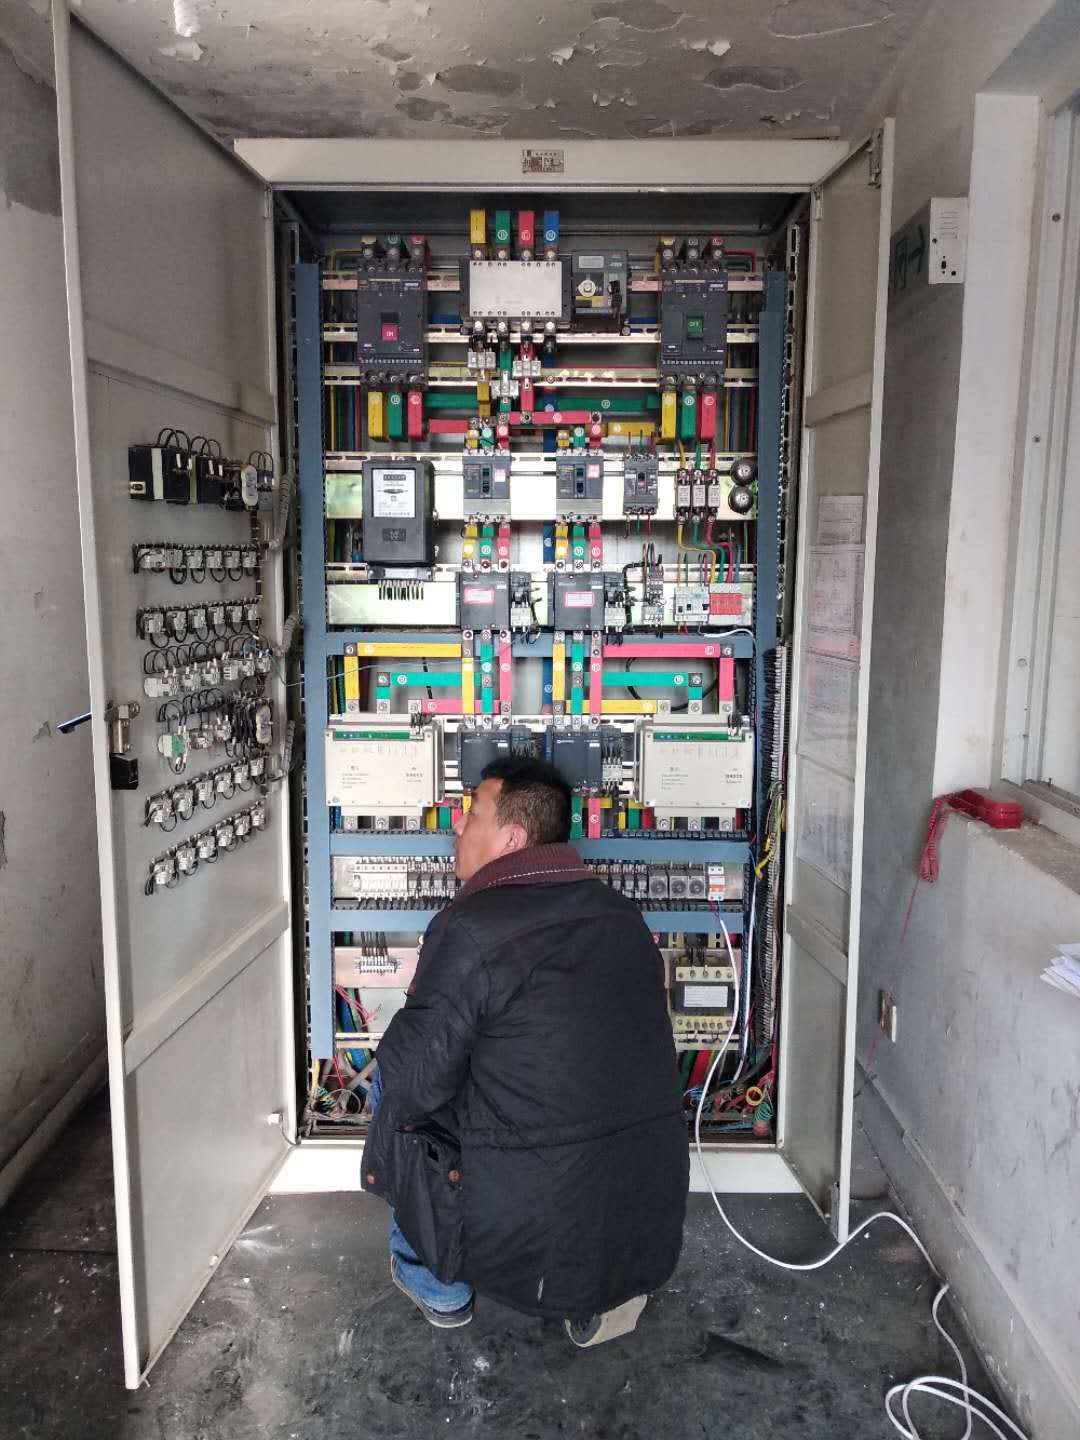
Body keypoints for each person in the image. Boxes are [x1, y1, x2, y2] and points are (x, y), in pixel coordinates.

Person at [362, 757, 689, 1345]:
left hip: (522, 1231)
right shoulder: (622, 914)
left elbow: (416, 1081)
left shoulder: (471, 926)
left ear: (512, 839)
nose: (456, 828)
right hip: (641, 1221)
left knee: (395, 1081)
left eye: (471, 816)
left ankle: (437, 1287)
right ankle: (603, 1291)